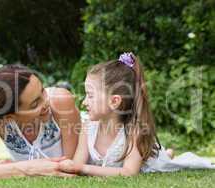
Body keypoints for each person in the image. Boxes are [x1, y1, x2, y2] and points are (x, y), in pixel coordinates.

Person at [59, 53, 215, 176]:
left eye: (90, 95)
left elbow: (128, 172)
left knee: (162, 162)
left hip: (150, 162)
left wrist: (82, 168)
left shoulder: (134, 131)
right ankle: (166, 152)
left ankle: (165, 154)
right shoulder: (88, 128)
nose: (84, 102)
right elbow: (76, 165)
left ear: (114, 101)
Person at [0, 64, 80, 178]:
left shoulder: (60, 101)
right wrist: (26, 168)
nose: (46, 101)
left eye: (42, 90)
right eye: (35, 104)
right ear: (10, 117)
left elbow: (70, 166)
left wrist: (4, 168)